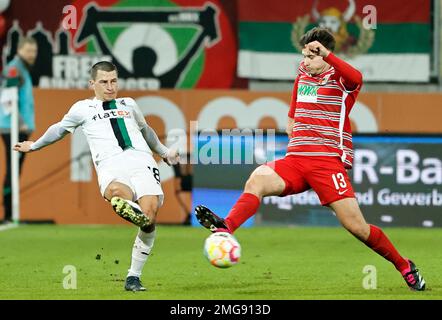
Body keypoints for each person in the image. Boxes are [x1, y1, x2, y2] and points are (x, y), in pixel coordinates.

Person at [194, 27, 426, 291]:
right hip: (295, 159)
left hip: (327, 162)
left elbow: (358, 77)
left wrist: (327, 55)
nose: (305, 62)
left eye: (311, 56)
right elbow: (292, 115)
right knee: (257, 179)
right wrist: (295, 131)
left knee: (357, 228)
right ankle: (226, 228)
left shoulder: (340, 79)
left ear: (325, 55)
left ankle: (404, 265)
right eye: (303, 56)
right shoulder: (302, 76)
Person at [13, 61, 179, 292]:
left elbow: (146, 130)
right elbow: (59, 129)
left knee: (150, 216)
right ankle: (127, 207)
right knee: (117, 193)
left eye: (113, 81)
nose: (110, 86)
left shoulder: (129, 104)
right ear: (92, 83)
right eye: (104, 82)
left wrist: (164, 152)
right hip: (111, 163)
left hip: (142, 160)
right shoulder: (82, 108)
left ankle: (133, 276)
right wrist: (35, 146)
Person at [0, 36, 38, 224]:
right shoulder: (15, 68)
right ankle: (8, 214)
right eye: (29, 51)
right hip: (12, 128)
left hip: (15, 127)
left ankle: (9, 214)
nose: (32, 55)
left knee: (14, 169)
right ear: (20, 50)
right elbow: (7, 99)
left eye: (34, 51)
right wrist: (21, 123)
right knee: (12, 169)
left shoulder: (21, 68)